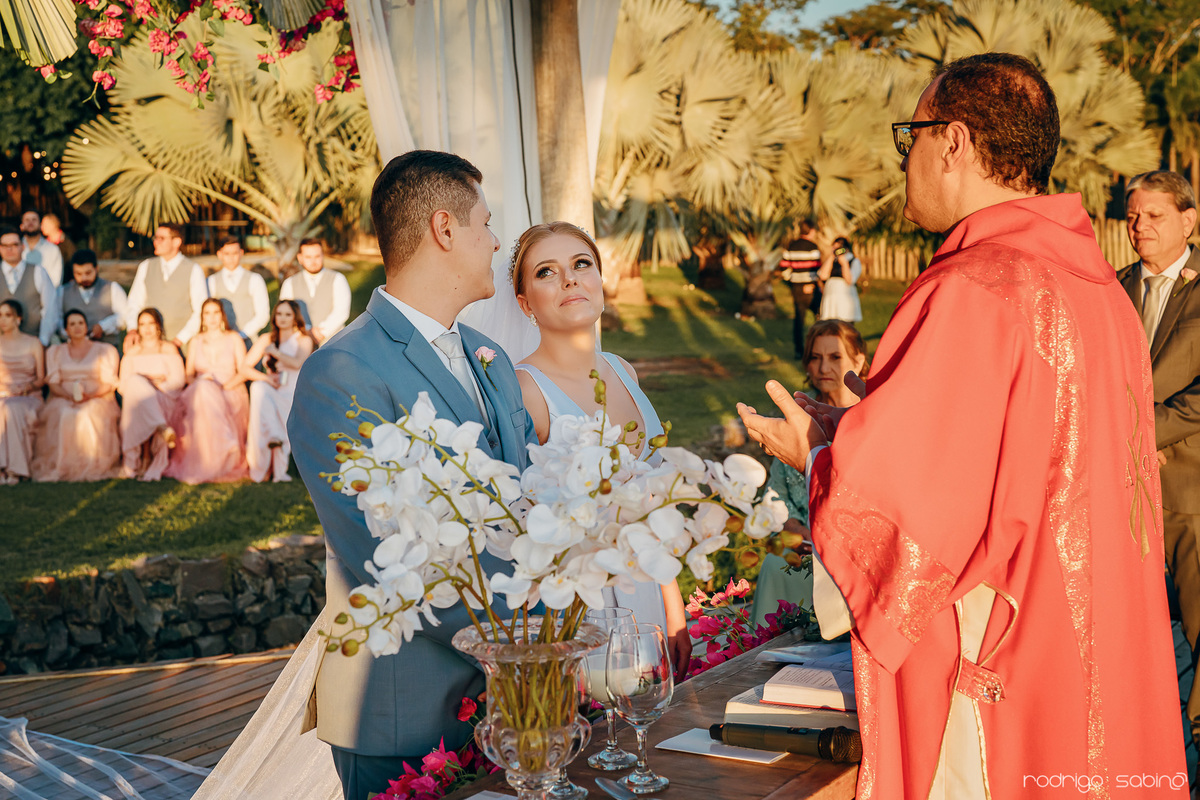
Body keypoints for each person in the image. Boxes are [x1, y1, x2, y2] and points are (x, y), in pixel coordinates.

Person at [738, 53, 1185, 798]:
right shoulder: (1100, 286)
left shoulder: (975, 284)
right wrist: (864, 429)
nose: (904, 157)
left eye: (909, 135)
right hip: (1098, 632)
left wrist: (816, 454)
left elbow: (919, 528)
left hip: (1005, 656)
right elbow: (1008, 455)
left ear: (953, 141)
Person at [287, 150, 535, 800]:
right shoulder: (342, 372)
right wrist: (530, 644)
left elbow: (531, 500)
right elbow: (383, 551)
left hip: (519, 701)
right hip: (405, 708)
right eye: (486, 223)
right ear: (444, 229)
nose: (496, 241)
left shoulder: (490, 358)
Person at [509, 221, 692, 679]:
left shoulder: (623, 369)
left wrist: (673, 608)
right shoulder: (526, 391)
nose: (569, 279)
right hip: (580, 609)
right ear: (525, 303)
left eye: (581, 264)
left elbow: (651, 508)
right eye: (546, 272)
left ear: (599, 281)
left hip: (646, 590)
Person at [1116, 169, 1200, 763]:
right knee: (1134, 636)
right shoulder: (1109, 287)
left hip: (1191, 493)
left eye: (1154, 215)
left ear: (1188, 220)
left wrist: (1142, 436)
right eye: (1133, 216)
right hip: (1120, 495)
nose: (1139, 226)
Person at [748, 319, 866, 630]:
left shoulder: (873, 418)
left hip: (859, 547)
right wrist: (802, 535)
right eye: (815, 357)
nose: (824, 367)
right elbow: (776, 498)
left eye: (835, 357)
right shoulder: (796, 421)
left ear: (858, 361)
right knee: (776, 563)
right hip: (805, 544)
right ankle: (768, 641)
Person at [164, 298, 249, 484]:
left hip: (229, 388)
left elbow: (244, 371)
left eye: (215, 313)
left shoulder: (234, 338)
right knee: (203, 389)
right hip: (201, 389)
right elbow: (189, 375)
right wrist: (203, 383)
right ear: (202, 318)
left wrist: (223, 386)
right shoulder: (196, 341)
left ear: (222, 316)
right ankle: (222, 445)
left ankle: (224, 450)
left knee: (207, 393)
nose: (212, 318)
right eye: (207, 313)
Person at [31, 309, 120, 482]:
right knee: (65, 414)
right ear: (66, 330)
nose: (77, 327)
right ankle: (63, 465)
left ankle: (93, 464)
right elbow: (54, 383)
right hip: (63, 397)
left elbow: (109, 383)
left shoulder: (104, 350)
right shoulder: (56, 352)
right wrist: (68, 396)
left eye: (80, 323)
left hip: (98, 397)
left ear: (86, 326)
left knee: (89, 414)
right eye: (72, 324)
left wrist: (91, 395)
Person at [242, 300, 313, 483]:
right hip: (273, 389)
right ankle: (273, 438)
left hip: (293, 392)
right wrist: (266, 378)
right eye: (279, 314)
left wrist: (275, 352)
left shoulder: (303, 340)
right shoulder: (266, 339)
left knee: (263, 397)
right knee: (258, 387)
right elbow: (244, 368)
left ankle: (277, 441)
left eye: (288, 314)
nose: (282, 318)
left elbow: (297, 363)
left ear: (295, 317)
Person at [118, 308, 185, 481]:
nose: (147, 328)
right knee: (135, 383)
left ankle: (147, 458)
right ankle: (161, 429)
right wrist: (145, 382)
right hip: (138, 399)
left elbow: (178, 380)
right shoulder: (132, 353)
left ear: (158, 326)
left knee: (144, 401)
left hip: (164, 396)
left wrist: (153, 387)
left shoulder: (169, 349)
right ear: (138, 328)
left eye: (151, 323)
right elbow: (123, 386)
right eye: (142, 324)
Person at [125, 223, 208, 349]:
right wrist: (132, 329)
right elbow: (134, 303)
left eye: (161, 238)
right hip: (149, 345)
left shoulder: (193, 269)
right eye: (155, 238)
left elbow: (200, 310)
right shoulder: (145, 267)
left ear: (176, 242)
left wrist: (179, 340)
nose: (156, 242)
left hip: (184, 346)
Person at [0, 299, 44, 484]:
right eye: (0, 316)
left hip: (28, 396)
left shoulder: (33, 343)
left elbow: (41, 379)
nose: (2, 320)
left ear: (18, 318)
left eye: (7, 315)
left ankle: (15, 469)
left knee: (11, 409)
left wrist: (25, 388)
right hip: (3, 395)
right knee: (4, 407)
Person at [279, 238, 352, 344]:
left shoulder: (338, 279)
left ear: (323, 256)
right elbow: (284, 313)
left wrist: (322, 332)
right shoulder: (289, 283)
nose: (313, 262)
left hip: (333, 341)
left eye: (317, 256)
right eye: (308, 257)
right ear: (300, 258)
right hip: (299, 342)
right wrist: (307, 331)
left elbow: (342, 312)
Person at [58, 250, 128, 349]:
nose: (83, 278)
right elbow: (56, 319)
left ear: (96, 269)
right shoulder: (62, 291)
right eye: (78, 274)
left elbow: (124, 316)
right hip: (73, 351)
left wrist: (103, 327)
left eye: (88, 273)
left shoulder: (112, 288)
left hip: (107, 349)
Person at [207, 235, 270, 342]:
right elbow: (208, 314)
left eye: (235, 253)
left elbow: (263, 315)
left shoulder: (255, 279)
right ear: (219, 255)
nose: (231, 258)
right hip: (220, 341)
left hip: (250, 340)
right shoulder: (211, 281)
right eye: (227, 254)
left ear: (241, 253)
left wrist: (242, 335)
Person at [0, 227, 56, 346]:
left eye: (14, 245)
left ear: (23, 246)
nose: (9, 249)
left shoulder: (38, 272)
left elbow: (50, 310)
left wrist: (43, 342)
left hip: (33, 344)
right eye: (5, 245)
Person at [777, 222, 823, 360]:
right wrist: (811, 284)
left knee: (799, 320)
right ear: (811, 231)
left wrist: (791, 280)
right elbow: (817, 269)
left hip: (797, 288)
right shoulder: (813, 247)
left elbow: (783, 267)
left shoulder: (791, 246)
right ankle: (818, 349)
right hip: (811, 287)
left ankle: (799, 350)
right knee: (820, 318)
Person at [817, 236, 862, 323]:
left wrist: (844, 263)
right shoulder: (832, 260)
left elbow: (850, 280)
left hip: (845, 296)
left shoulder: (853, 261)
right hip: (831, 296)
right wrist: (831, 257)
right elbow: (823, 276)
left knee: (845, 322)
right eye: (834, 248)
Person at [20, 209, 64, 288]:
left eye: (34, 220)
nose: (30, 223)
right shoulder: (15, 249)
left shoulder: (52, 249)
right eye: (27, 220)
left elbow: (55, 280)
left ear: (41, 225)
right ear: (21, 226)